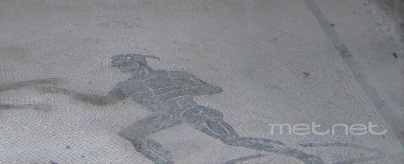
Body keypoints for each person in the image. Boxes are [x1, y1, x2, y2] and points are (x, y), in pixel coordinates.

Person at [53, 53, 327, 164]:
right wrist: (66, 92)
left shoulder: (174, 75)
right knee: (131, 133)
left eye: (125, 65)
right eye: (119, 67)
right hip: (166, 115)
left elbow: (210, 89)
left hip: (188, 110)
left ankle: (298, 154)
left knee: (233, 140)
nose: (122, 70)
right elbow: (102, 102)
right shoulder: (127, 86)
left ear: (139, 63)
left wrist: (188, 90)